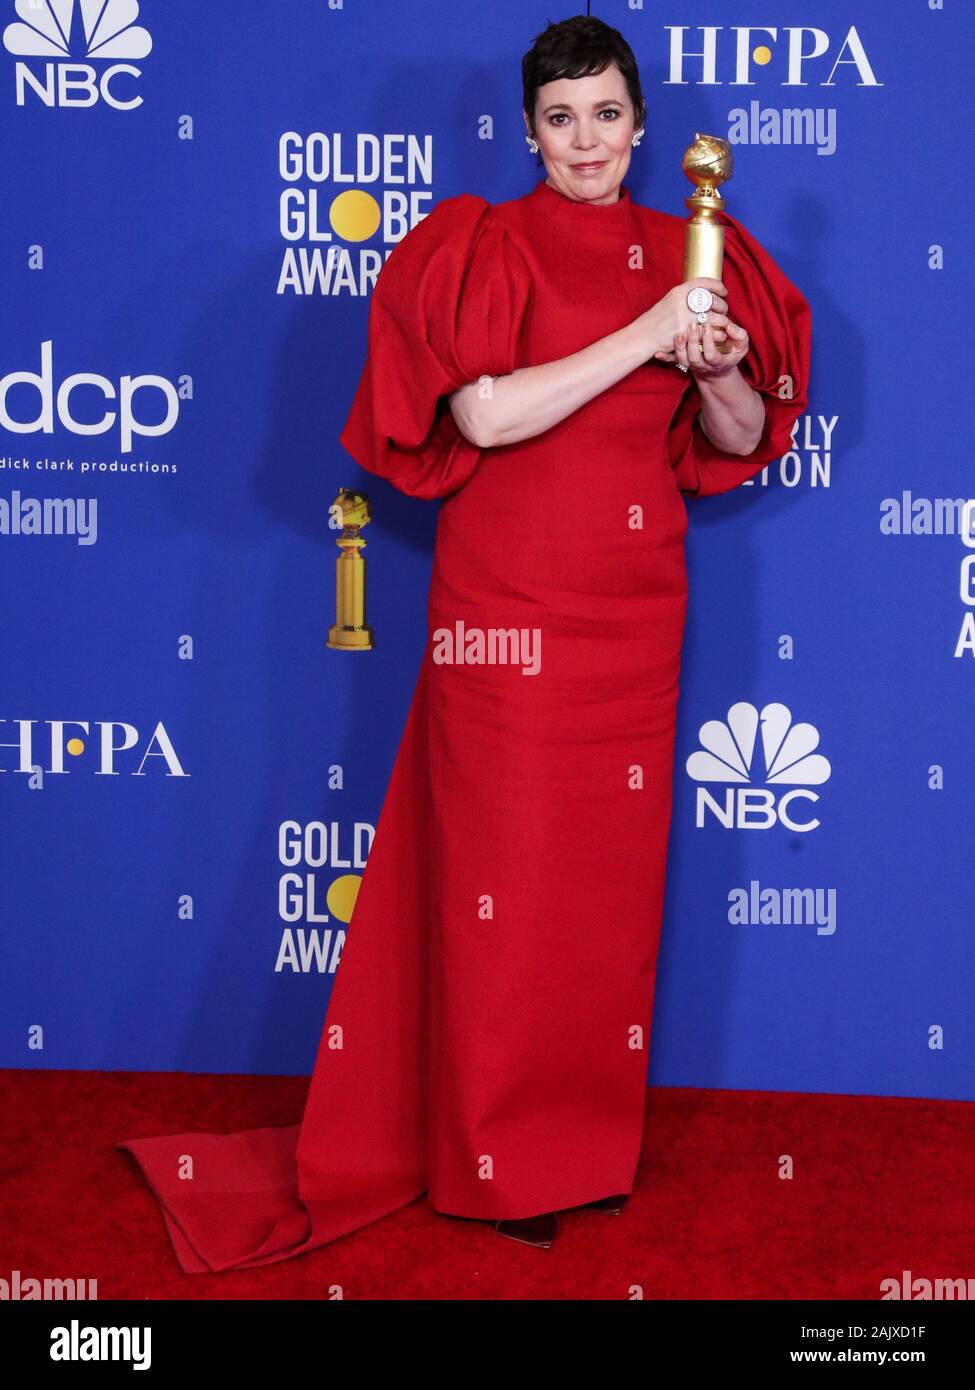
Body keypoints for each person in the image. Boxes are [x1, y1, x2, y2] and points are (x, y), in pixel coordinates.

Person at [116, 14, 811, 1266]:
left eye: (608, 114)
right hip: (505, 620)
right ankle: (493, 1166)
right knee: (508, 896)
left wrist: (714, 362)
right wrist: (647, 335)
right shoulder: (479, 243)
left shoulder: (697, 252)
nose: (587, 140)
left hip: (635, 615)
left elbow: (734, 434)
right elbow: (484, 416)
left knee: (602, 901)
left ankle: (583, 1152)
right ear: (528, 129)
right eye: (561, 118)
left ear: (642, 124)